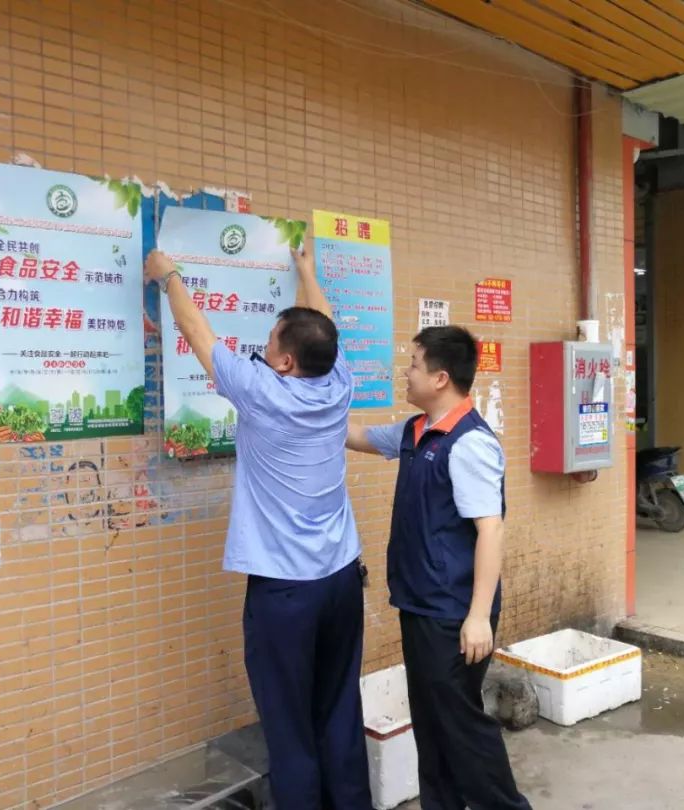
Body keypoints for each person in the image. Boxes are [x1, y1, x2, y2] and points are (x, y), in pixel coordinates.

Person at [144, 245, 371, 810]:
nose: (261, 349)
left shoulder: (260, 391)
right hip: (341, 579)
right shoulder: (339, 381)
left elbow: (199, 334)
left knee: (288, 722)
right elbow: (326, 328)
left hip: (285, 591)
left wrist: (167, 274)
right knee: (339, 705)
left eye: (270, 344)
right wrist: (307, 273)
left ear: (287, 362)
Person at [347, 325, 531, 810]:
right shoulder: (416, 431)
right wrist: (303, 403)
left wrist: (476, 617)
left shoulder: (468, 444)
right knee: (433, 727)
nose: (404, 373)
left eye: (412, 363)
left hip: (453, 613)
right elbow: (360, 435)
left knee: (461, 727)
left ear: (441, 377)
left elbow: (490, 530)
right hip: (421, 604)